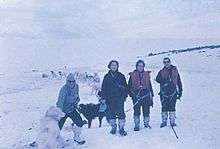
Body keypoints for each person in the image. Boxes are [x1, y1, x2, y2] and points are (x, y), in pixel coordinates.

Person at [56, 73, 86, 145]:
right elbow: (60, 102)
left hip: (71, 109)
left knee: (79, 122)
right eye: (70, 81)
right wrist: (59, 113)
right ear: (67, 81)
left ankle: (77, 137)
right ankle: (51, 141)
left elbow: (77, 96)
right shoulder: (64, 89)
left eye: (73, 81)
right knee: (57, 127)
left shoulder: (76, 87)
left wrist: (76, 102)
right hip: (63, 111)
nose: (71, 83)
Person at [101, 60, 128, 136]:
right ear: (109, 66)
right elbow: (103, 88)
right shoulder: (106, 76)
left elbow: (126, 87)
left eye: (115, 65)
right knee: (111, 114)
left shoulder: (121, 76)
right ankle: (113, 127)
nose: (114, 66)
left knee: (121, 114)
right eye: (112, 65)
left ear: (117, 66)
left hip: (119, 99)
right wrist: (103, 98)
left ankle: (121, 128)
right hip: (109, 99)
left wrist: (125, 96)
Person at [156, 58, 183, 128]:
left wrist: (180, 91)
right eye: (165, 62)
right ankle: (164, 122)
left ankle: (172, 122)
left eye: (168, 62)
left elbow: (178, 81)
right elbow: (157, 79)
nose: (166, 63)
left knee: (172, 107)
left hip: (173, 92)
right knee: (164, 107)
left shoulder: (175, 71)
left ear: (170, 62)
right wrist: (164, 81)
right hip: (164, 92)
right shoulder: (161, 71)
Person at [128, 60, 154, 131]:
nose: (140, 67)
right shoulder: (132, 75)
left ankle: (146, 123)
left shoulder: (146, 74)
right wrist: (131, 95)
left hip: (146, 96)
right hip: (136, 96)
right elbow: (129, 86)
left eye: (142, 66)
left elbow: (149, 85)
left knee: (146, 110)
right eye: (139, 66)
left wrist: (152, 94)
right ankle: (137, 125)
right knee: (136, 111)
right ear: (136, 66)